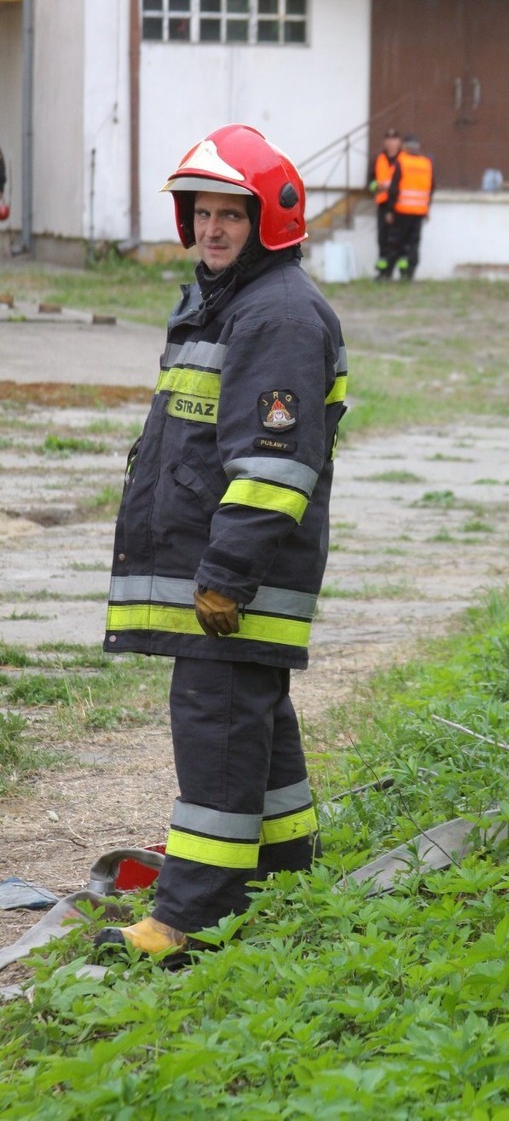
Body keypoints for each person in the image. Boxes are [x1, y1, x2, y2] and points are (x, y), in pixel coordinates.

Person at [95, 123, 348, 963]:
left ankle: (189, 921)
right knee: (254, 727)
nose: (211, 230)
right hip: (226, 576)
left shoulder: (276, 315)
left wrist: (225, 579)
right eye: (201, 214)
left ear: (268, 220)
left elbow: (273, 469)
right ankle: (284, 876)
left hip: (234, 583)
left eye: (229, 216)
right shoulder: (228, 299)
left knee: (217, 736)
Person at [382, 133, 434, 281]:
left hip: (401, 210)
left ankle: (388, 273)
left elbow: (394, 188)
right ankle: (409, 274)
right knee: (413, 244)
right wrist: (427, 207)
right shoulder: (426, 163)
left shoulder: (401, 162)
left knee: (395, 243)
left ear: (404, 147)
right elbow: (431, 187)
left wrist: (390, 210)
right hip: (419, 212)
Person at [368, 127, 402, 279]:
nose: (391, 143)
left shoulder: (404, 159)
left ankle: (398, 271)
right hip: (383, 203)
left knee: (397, 239)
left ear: (399, 142)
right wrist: (378, 186)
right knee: (383, 238)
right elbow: (370, 183)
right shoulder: (378, 158)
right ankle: (383, 272)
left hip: (399, 204)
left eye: (394, 139)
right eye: (388, 139)